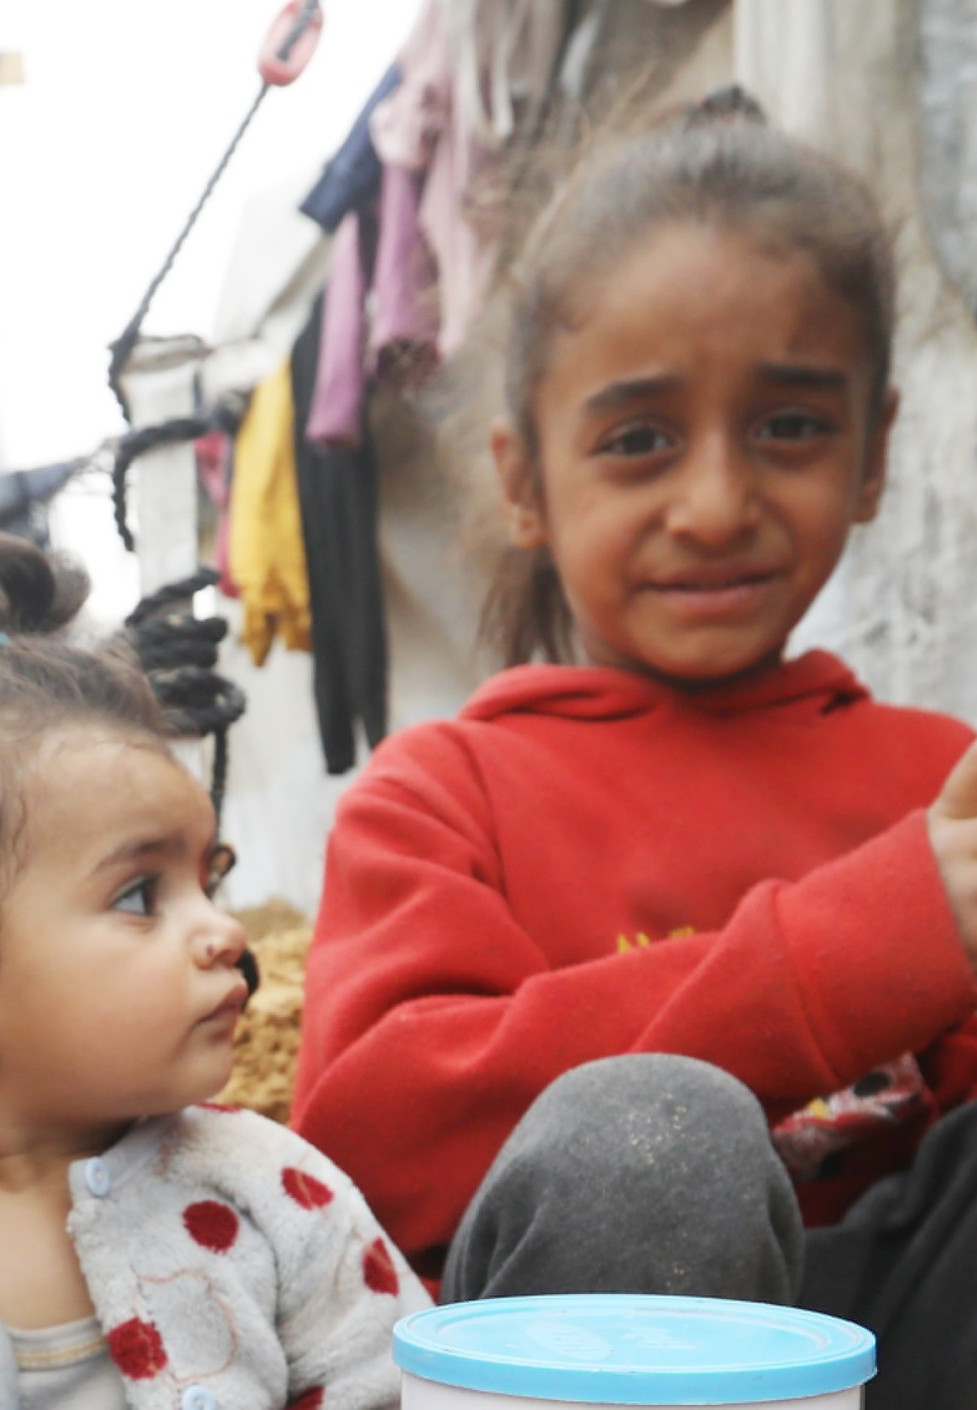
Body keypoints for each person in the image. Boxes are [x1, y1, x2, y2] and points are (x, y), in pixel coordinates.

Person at [291, 90, 977, 1409]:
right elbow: (363, 1149)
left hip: (887, 1355)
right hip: (572, 1363)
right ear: (524, 479)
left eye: (789, 425)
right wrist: (865, 944)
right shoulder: (442, 793)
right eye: (639, 440)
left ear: (875, 450)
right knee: (651, 1142)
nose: (715, 503)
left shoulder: (935, 783)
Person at [0, 535, 430, 1409]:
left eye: (210, 879)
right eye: (137, 894)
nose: (224, 930)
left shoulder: (275, 1190)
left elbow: (391, 1391)